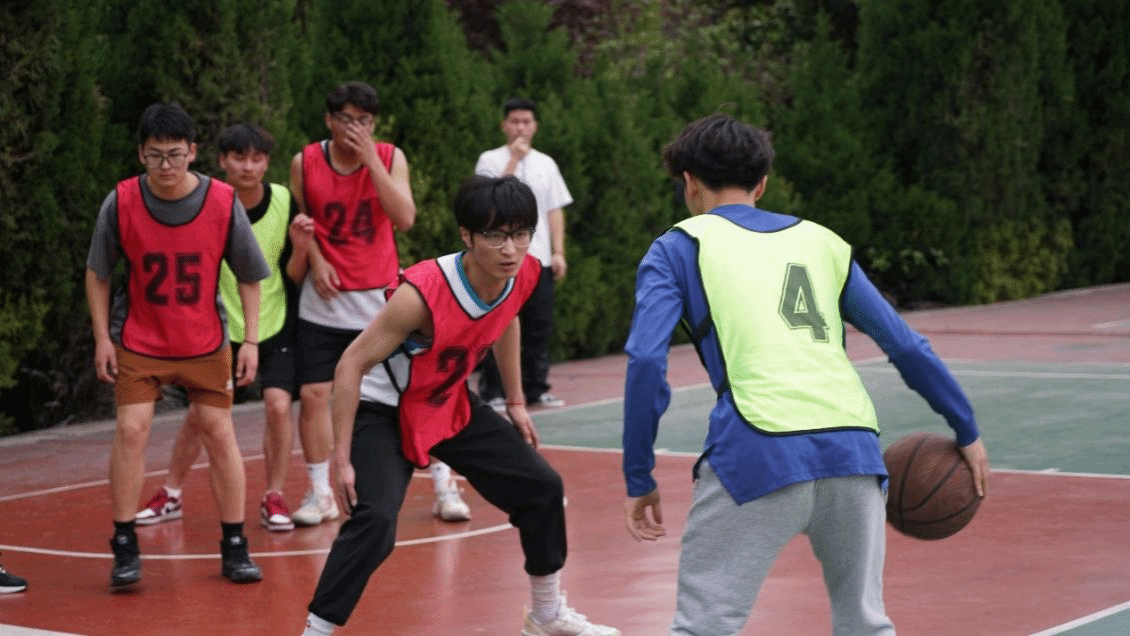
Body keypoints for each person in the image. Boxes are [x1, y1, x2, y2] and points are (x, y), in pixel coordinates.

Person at [621, 114, 991, 636]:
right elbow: (905, 344)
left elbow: (644, 360)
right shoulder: (823, 242)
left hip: (756, 449)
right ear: (762, 183)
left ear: (689, 182)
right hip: (853, 450)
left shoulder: (678, 247)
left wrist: (639, 475)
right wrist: (966, 427)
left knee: (704, 627)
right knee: (865, 626)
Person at [300, 175, 619, 636]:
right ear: (466, 236)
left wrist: (515, 400)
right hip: (385, 409)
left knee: (542, 489)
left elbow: (506, 320)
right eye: (495, 236)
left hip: (446, 402)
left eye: (521, 234)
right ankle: (315, 631)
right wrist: (342, 456)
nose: (510, 249)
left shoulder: (524, 272)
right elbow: (351, 364)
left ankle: (547, 614)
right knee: (376, 522)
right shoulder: (421, 294)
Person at [85, 103, 268, 586]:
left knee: (219, 431)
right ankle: (125, 543)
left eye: (174, 155)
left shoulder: (222, 201)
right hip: (140, 341)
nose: (166, 166)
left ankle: (235, 545)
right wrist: (102, 337)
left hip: (204, 343)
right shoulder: (121, 201)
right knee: (131, 429)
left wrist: (250, 340)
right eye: (155, 156)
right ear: (140, 154)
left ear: (192, 151)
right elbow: (98, 273)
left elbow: (250, 276)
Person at [288, 81, 471, 525]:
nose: (355, 128)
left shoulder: (390, 157)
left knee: (418, 389)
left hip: (380, 298)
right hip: (325, 299)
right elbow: (303, 220)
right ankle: (319, 492)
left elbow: (405, 218)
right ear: (329, 121)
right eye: (346, 120)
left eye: (364, 120)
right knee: (314, 395)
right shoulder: (304, 161)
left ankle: (444, 484)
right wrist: (316, 260)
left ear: (374, 123)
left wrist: (371, 160)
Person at [135, 123, 301, 532]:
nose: (248, 167)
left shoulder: (284, 201)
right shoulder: (207, 203)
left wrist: (309, 249)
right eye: (239, 158)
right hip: (220, 328)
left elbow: (294, 269)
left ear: (267, 163)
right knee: (199, 415)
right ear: (222, 161)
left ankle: (274, 496)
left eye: (257, 158)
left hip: (274, 321)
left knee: (279, 406)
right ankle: (171, 492)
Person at [474, 98, 572, 411]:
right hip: (502, 261)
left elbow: (554, 209)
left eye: (526, 122)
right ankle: (493, 391)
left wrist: (558, 251)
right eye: (514, 121)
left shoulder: (546, 164)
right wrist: (514, 160)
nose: (520, 127)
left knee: (538, 326)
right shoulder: (490, 160)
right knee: (499, 323)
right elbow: (487, 201)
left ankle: (535, 388)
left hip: (539, 260)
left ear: (535, 126)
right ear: (504, 125)